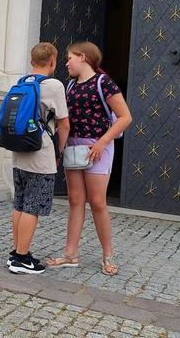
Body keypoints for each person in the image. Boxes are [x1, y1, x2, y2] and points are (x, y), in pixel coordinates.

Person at [46, 41, 132, 276]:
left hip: (98, 149)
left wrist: (103, 143)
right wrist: (59, 151)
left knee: (97, 202)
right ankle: (70, 254)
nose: (66, 63)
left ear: (82, 57)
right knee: (75, 200)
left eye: (69, 58)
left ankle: (108, 255)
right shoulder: (70, 86)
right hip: (74, 147)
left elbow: (125, 117)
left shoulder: (105, 83)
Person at [8, 43, 69, 275]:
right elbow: (63, 123)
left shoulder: (21, 83)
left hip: (19, 152)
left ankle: (16, 251)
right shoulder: (54, 85)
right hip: (40, 153)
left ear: (32, 60)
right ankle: (21, 258)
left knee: (20, 204)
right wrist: (59, 152)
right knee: (32, 207)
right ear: (52, 61)